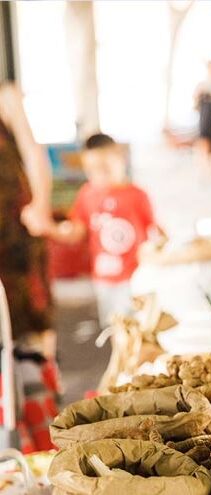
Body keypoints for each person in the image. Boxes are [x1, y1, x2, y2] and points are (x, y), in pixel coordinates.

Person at [47, 134, 162, 327]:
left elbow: (154, 232)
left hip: (135, 277)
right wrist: (51, 229)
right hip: (103, 280)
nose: (99, 173)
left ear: (120, 158)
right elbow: (77, 231)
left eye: (104, 166)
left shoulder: (138, 195)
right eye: (91, 169)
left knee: (137, 326)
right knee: (112, 326)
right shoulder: (86, 194)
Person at [0, 81, 59, 453]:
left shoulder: (5, 101)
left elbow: (31, 153)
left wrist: (40, 205)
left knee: (32, 348)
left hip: (16, 248)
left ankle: (43, 450)